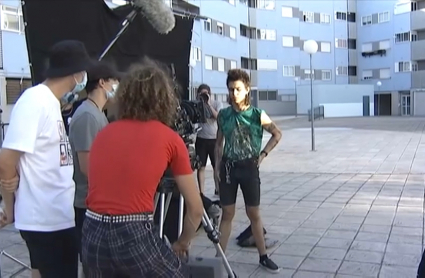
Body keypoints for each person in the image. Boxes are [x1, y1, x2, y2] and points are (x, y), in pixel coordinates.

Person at [82, 58, 204, 277]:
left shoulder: (104, 134)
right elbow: (195, 209)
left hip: (92, 231)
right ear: (164, 99)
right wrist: (182, 242)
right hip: (132, 231)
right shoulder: (170, 139)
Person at [0, 40, 92, 278]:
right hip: (44, 220)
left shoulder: (51, 103)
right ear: (75, 73)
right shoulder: (35, 100)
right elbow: (6, 159)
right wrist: (10, 209)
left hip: (57, 216)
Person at [214, 69, 282, 274]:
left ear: (247, 90)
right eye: (231, 89)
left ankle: (263, 256)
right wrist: (216, 167)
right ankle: (219, 261)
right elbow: (218, 144)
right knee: (227, 213)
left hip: (250, 168)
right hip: (228, 168)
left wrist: (263, 155)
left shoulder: (257, 115)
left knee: (253, 213)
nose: (234, 93)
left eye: (238, 89)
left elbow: (277, 134)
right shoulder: (224, 115)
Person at [68, 61, 121, 276]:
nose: (117, 86)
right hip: (87, 203)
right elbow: (87, 168)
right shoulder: (88, 116)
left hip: (98, 200)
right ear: (102, 82)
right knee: (93, 266)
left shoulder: (98, 114)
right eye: (115, 81)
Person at [195, 84, 222, 196]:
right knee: (201, 167)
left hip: (214, 139)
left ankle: (218, 190)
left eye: (206, 94)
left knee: (217, 167)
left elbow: (219, 117)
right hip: (201, 139)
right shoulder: (197, 104)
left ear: (210, 94)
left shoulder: (216, 104)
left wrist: (208, 104)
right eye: (202, 94)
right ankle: (201, 192)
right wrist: (200, 103)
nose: (204, 96)